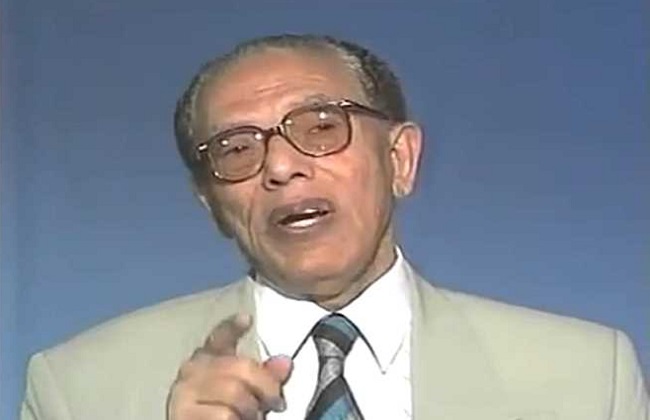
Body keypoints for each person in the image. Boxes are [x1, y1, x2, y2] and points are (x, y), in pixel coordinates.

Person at [21, 34, 648, 420]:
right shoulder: (78, 389)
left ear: (400, 160)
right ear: (210, 204)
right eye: (237, 149)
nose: (282, 167)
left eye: (321, 127)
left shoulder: (587, 376)